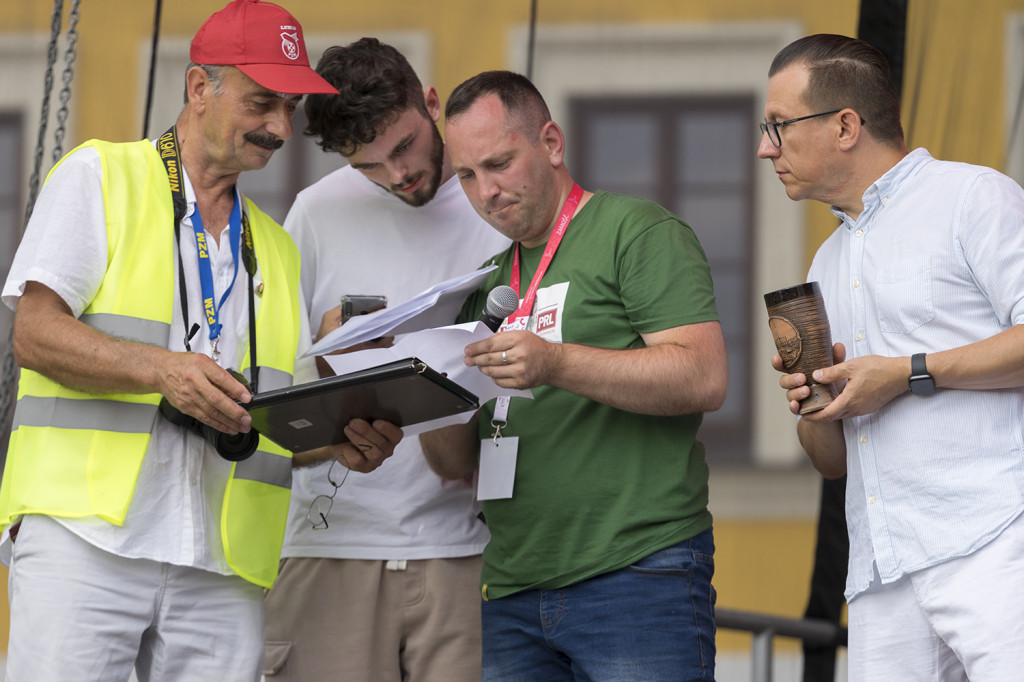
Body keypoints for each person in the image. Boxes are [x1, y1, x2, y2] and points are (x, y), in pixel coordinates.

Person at [0, 2, 402, 680]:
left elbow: (270, 423)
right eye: (262, 103)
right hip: (86, 542)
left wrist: (335, 440)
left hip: (222, 566)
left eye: (290, 108)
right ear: (197, 88)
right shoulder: (101, 176)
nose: (280, 127)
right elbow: (33, 333)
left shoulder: (275, 248)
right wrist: (163, 370)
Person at [421, 70, 729, 682]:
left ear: (552, 143)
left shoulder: (635, 230)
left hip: (636, 570)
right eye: (466, 175)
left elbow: (703, 377)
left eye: (500, 162)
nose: (486, 191)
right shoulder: (482, 283)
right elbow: (452, 459)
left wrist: (556, 363)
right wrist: (417, 385)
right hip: (511, 583)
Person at [759, 33, 1024, 681]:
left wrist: (905, 372)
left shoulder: (972, 198)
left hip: (996, 542)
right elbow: (833, 462)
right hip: (881, 570)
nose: (766, 148)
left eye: (778, 126)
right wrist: (813, 405)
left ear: (846, 125)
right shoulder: (825, 262)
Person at [262, 38, 509, 681]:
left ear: (430, 102)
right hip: (330, 542)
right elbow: (272, 394)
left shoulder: (499, 202)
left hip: (473, 546)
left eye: (402, 147)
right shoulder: (315, 213)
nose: (396, 176)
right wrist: (328, 355)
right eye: (367, 166)